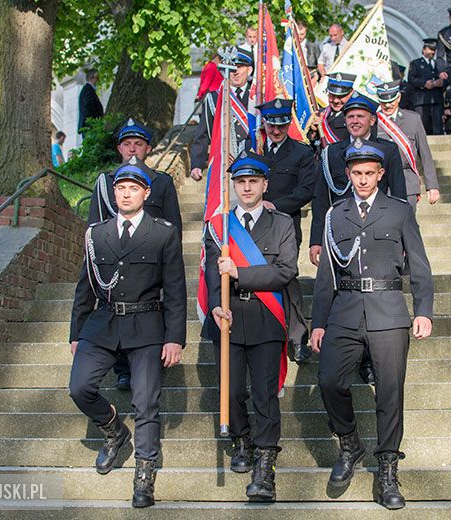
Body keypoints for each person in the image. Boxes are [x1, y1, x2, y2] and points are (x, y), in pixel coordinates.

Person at [310, 139, 434, 510]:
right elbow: (326, 276)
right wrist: (318, 323)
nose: (363, 180)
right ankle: (349, 443)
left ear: (381, 174)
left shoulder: (398, 212)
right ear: (348, 174)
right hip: (345, 311)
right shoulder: (336, 214)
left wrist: (423, 310)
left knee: (391, 393)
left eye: (369, 173)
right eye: (357, 173)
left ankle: (387, 471)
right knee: (330, 380)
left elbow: (420, 265)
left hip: (389, 311)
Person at [68, 162, 186, 508]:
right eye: (121, 188)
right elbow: (84, 286)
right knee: (79, 387)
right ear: (113, 192)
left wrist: (174, 338)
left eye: (133, 189)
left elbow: (176, 290)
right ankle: (115, 431)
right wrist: (76, 332)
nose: (126, 194)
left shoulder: (163, 233)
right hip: (102, 325)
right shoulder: (96, 233)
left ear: (146, 194)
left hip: (147, 325)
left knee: (146, 402)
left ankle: (144, 475)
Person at [201, 151, 298, 502]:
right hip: (227, 318)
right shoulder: (220, 225)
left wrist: (240, 273)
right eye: (240, 181)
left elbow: (285, 271)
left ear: (264, 184)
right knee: (230, 390)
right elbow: (212, 271)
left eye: (253, 181)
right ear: (234, 185)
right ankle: (241, 439)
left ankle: (265, 465)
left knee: (264, 395)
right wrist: (214, 303)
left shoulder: (283, 224)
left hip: (266, 318)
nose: (246, 187)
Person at [87, 119, 183, 392]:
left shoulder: (161, 182)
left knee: (153, 310)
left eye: (138, 144)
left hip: (152, 258)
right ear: (119, 148)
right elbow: (94, 225)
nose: (132, 149)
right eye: (127, 144)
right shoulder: (106, 184)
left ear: (148, 149)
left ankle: (153, 357)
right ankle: (122, 370)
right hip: (114, 258)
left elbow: (173, 224)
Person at [309, 94, 406, 267]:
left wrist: (402, 236)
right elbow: (321, 200)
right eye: (350, 117)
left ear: (372, 120)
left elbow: (399, 195)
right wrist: (316, 240)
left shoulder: (388, 150)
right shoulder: (331, 152)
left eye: (360, 116)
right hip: (342, 230)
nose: (355, 121)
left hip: (378, 227)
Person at [257, 98, 316, 363]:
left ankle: (298, 339)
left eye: (281, 125)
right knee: (257, 276)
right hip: (254, 226)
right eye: (271, 125)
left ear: (289, 123)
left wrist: (273, 205)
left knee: (287, 278)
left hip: (286, 224)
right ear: (265, 123)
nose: (276, 131)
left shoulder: (302, 153)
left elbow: (306, 190)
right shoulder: (253, 149)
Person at [190, 48, 255, 182]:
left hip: (253, 164)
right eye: (231, 66)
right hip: (224, 165)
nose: (235, 71)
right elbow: (203, 133)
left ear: (249, 70)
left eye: (240, 66)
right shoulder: (214, 98)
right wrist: (197, 164)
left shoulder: (257, 96)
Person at [376, 80, 440, 210]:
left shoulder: (413, 119)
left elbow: (425, 154)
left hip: (407, 182)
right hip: (381, 183)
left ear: (398, 98)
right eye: (384, 102)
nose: (387, 105)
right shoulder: (373, 122)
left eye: (391, 101)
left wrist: (432, 186)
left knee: (408, 226)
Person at [408, 38, 447, 135]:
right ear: (424, 50)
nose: (433, 52)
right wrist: (424, 83)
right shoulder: (416, 63)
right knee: (423, 125)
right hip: (422, 99)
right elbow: (411, 79)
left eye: (434, 50)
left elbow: (448, 78)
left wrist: (442, 83)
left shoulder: (439, 64)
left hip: (436, 98)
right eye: (430, 49)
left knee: (438, 125)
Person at [314, 72, 357, 148]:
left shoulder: (357, 117)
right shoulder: (320, 113)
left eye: (341, 96)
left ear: (351, 93)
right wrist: (313, 132)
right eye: (332, 95)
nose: (336, 101)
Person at [78, 69, 104, 134]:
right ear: (91, 78)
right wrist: (98, 118)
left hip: (89, 125)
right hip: (89, 125)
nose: (98, 80)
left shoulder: (87, 89)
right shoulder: (88, 89)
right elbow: (88, 105)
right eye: (97, 78)